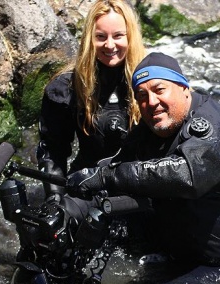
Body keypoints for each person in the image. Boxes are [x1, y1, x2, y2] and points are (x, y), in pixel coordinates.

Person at [66, 52, 220, 282]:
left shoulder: (217, 127)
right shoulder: (153, 127)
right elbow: (117, 166)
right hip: (179, 252)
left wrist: (107, 176)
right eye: (142, 95)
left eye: (159, 90)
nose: (152, 102)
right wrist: (74, 194)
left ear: (184, 88)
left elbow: (188, 176)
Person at [36, 0, 146, 205]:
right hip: (87, 184)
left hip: (140, 185)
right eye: (101, 37)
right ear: (89, 39)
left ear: (130, 36)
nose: (110, 45)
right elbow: (52, 149)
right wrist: (55, 199)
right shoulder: (66, 87)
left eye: (118, 36)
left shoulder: (151, 79)